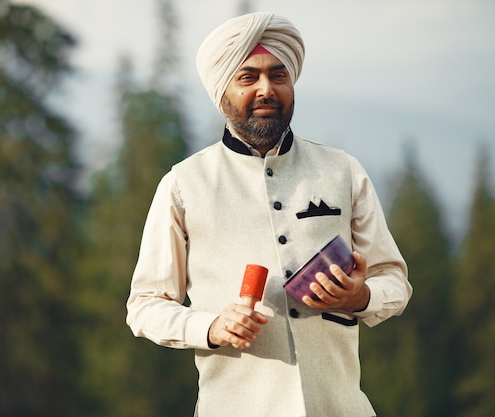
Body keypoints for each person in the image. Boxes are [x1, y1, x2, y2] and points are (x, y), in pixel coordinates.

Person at [126, 11, 412, 417]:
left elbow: (395, 282)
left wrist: (361, 296)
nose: (266, 89)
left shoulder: (343, 171)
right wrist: (209, 327)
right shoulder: (182, 186)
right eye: (248, 77)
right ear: (221, 91)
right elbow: (145, 305)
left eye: (279, 76)